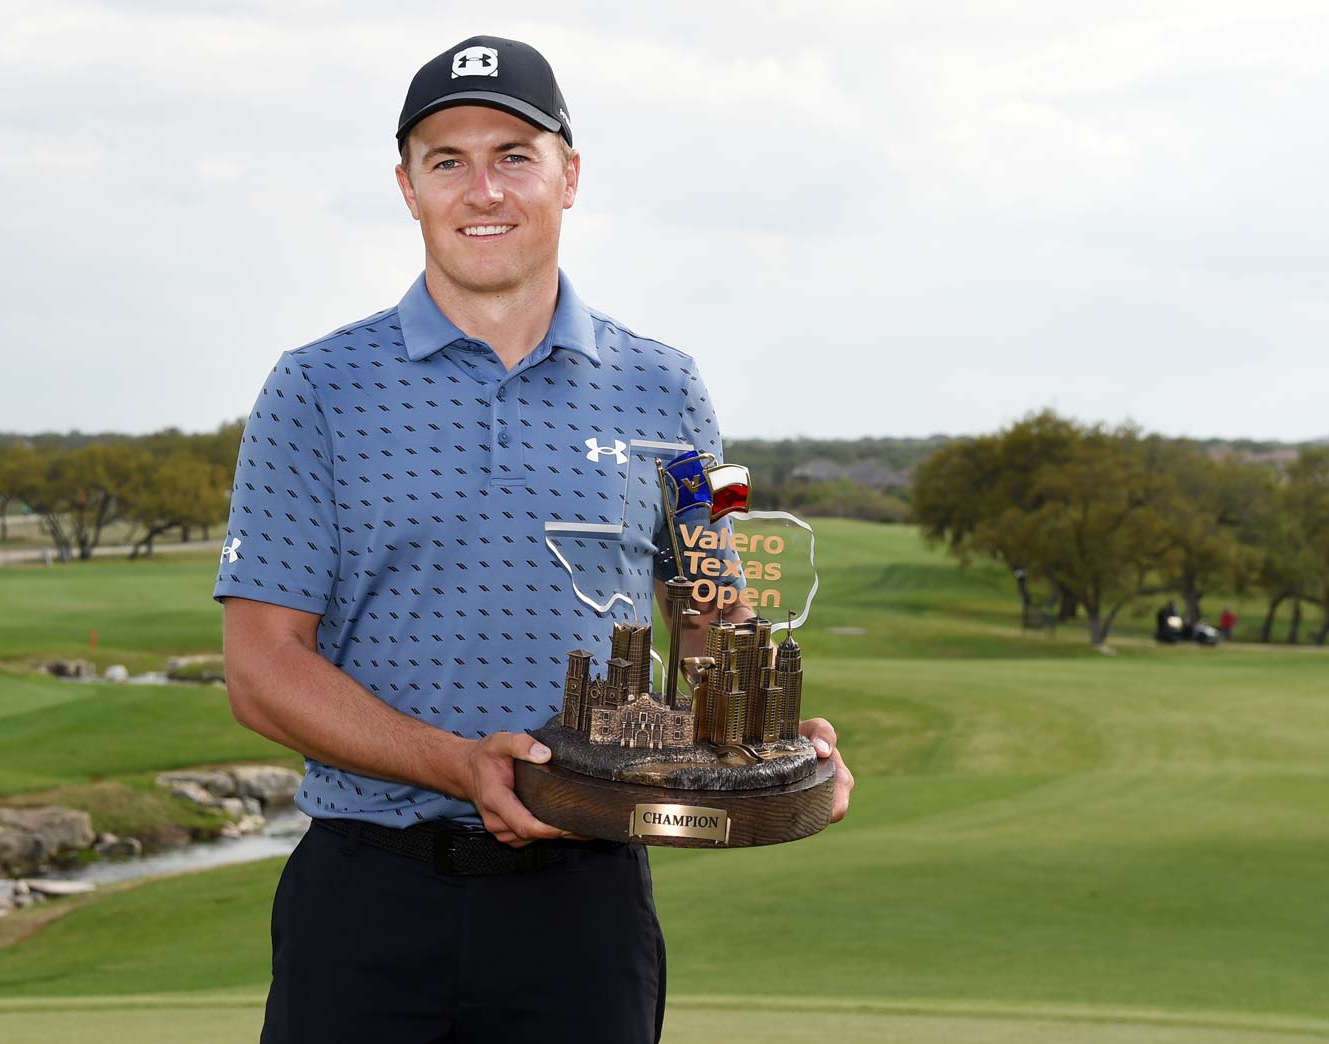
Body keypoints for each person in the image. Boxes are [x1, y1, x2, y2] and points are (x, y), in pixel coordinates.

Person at [214, 35, 854, 1044]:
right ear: (407, 187)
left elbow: (711, 607)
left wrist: (769, 734)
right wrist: (457, 764)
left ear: (570, 175)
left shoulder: (673, 388)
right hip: (366, 898)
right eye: (447, 161)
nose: (484, 190)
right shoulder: (313, 389)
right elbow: (260, 672)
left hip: (584, 907)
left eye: (514, 155)